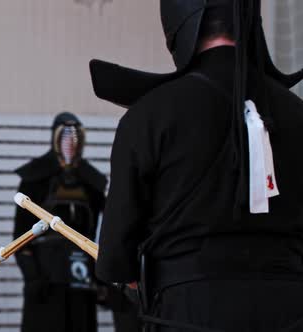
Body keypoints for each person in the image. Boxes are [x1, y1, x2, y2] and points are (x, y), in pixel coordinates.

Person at [91, 1, 303, 331]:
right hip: (290, 309)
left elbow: (117, 255)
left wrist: (128, 277)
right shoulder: (296, 113)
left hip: (189, 310)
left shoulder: (150, 115)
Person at [13, 112, 136, 332]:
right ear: (55, 139)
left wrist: (102, 280)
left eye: (75, 137)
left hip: (81, 274)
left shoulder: (92, 182)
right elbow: (21, 235)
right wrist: (32, 276)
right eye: (65, 137)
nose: (70, 143)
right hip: (46, 276)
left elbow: (102, 231)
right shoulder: (35, 178)